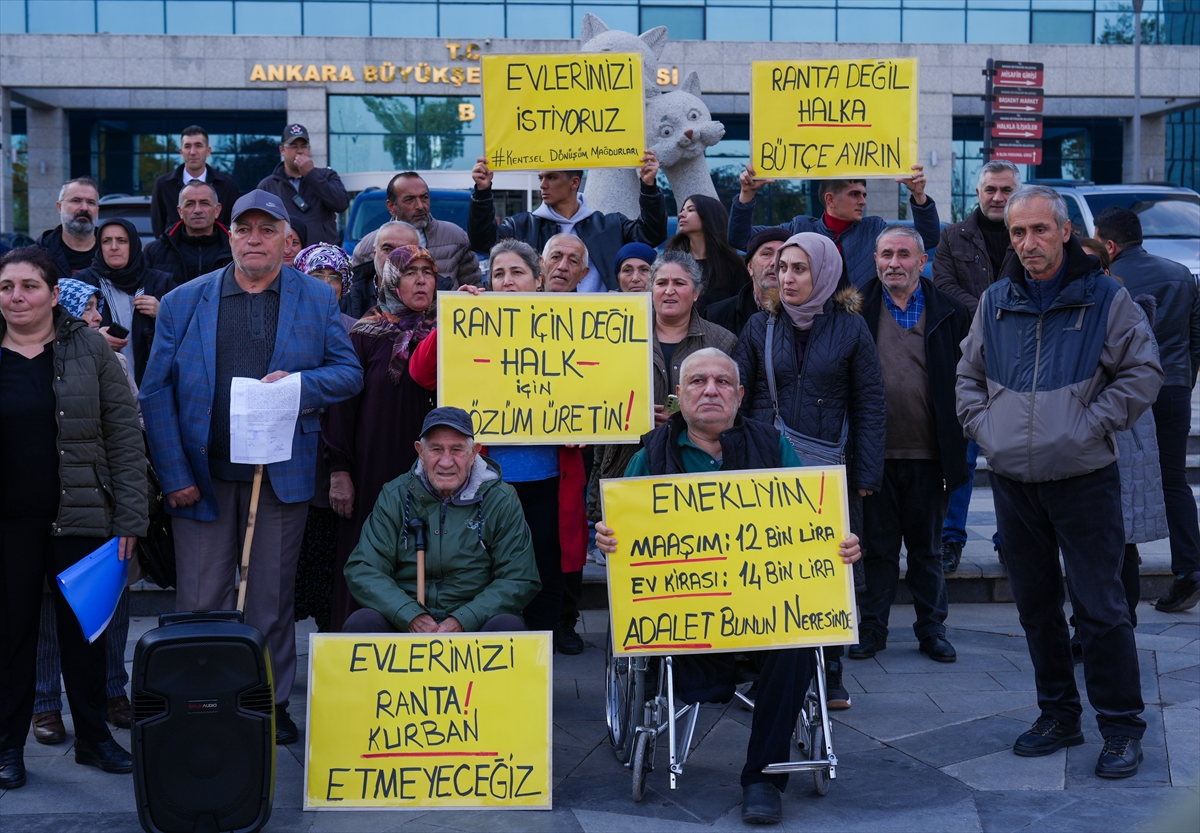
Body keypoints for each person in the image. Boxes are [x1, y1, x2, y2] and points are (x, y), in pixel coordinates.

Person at [594, 348, 862, 825]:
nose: (711, 390)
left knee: (797, 643)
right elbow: (623, 539)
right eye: (698, 382)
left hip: (766, 621)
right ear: (678, 398)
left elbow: (814, 521)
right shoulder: (649, 456)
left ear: (740, 396)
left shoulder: (772, 446)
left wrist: (839, 545)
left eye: (722, 382)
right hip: (684, 626)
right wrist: (611, 539)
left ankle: (762, 779)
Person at [139, 190, 363, 745]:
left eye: (268, 230)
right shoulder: (185, 300)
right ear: (229, 233)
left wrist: (297, 386)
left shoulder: (315, 299)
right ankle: (201, 699)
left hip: (278, 476)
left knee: (270, 598)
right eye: (246, 229)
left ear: (288, 240)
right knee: (200, 596)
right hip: (203, 476)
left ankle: (268, 700)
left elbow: (347, 373)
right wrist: (175, 477)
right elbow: (154, 391)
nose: (256, 239)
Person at [956, 185, 1163, 778]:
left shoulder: (1105, 297)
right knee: (1036, 607)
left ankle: (1122, 727)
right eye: (1018, 233)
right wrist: (987, 428)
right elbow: (967, 377)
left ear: (1065, 231)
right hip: (1015, 482)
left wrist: (1089, 425)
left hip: (1084, 479)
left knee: (1101, 608)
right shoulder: (995, 300)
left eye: (1039, 230)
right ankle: (1059, 715)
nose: (1027, 243)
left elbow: (1143, 372)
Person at [0, 247, 147, 789]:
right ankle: (7, 747)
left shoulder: (88, 347)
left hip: (84, 515)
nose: (17, 296)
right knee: (11, 639)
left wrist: (131, 518)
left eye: (29, 286)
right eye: (7, 286)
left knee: (86, 633)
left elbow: (125, 436)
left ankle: (93, 738)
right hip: (10, 524)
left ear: (54, 294)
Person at [733, 232, 886, 710]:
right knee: (772, 569)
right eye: (782, 269)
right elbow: (738, 390)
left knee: (830, 570)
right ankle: (771, 671)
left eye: (799, 269)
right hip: (768, 469)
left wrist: (865, 475)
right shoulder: (761, 326)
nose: (787, 278)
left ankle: (831, 670)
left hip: (829, 470)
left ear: (823, 272)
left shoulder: (851, 328)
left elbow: (870, 403)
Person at [406, 240, 587, 637]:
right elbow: (421, 372)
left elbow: (595, 384)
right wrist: (452, 321)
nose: (507, 282)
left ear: (538, 281)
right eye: (498, 274)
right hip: (486, 478)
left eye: (517, 273)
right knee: (486, 566)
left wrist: (589, 426)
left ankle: (542, 657)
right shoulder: (473, 324)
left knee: (544, 564)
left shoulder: (568, 322)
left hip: (548, 478)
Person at [29, 278, 141, 744]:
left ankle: (112, 695)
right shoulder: (20, 357)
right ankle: (45, 705)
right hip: (34, 509)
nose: (96, 316)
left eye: (98, 306)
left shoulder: (104, 358)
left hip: (96, 505)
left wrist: (131, 515)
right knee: (45, 616)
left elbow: (127, 434)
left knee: (105, 612)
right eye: (89, 307)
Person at [853, 226, 970, 664]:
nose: (893, 263)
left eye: (904, 254)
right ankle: (872, 629)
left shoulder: (951, 312)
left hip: (931, 456)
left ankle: (932, 630)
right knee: (877, 550)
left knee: (928, 551)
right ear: (876, 259)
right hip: (874, 457)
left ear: (922, 262)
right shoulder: (854, 310)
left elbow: (969, 378)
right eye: (886, 254)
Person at [342, 407, 542, 634]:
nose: (446, 462)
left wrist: (465, 619)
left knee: (508, 626)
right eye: (436, 449)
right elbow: (364, 568)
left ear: (474, 452)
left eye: (457, 450)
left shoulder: (501, 499)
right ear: (421, 452)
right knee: (363, 622)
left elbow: (520, 577)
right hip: (405, 621)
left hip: (474, 623)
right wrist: (408, 613)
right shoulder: (395, 495)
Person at [589, 249, 737, 554]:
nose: (669, 290)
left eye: (680, 283)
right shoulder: (617, 334)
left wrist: (690, 416)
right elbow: (595, 393)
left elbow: (733, 404)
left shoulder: (722, 342)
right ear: (650, 289)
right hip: (627, 464)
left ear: (696, 293)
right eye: (661, 282)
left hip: (697, 473)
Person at [323, 245, 438, 631]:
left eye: (428, 271)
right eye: (410, 272)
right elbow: (341, 407)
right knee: (370, 552)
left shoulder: (446, 331)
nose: (421, 279)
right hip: (375, 467)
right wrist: (340, 471)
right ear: (389, 280)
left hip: (433, 468)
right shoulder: (364, 335)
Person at [1095, 206, 1200, 613]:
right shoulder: (1180, 273)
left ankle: (1129, 563)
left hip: (1131, 392)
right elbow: (1196, 338)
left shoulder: (1112, 282)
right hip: (1174, 386)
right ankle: (1189, 568)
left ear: (1109, 243)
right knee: (1173, 480)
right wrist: (1184, 381)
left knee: (1125, 477)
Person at [933, 159, 1020, 572]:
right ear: (978, 192)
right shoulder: (953, 236)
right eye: (991, 190)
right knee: (961, 459)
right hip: (966, 361)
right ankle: (952, 540)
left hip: (1019, 366)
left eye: (1006, 190)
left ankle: (1012, 540)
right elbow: (944, 286)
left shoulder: (1028, 234)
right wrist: (992, 311)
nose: (998, 197)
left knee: (1013, 458)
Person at [468, 153, 668, 291]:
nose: (543, 185)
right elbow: (483, 241)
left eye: (552, 177)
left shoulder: (611, 226)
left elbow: (652, 234)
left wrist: (649, 186)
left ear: (575, 183)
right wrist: (482, 192)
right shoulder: (522, 226)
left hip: (602, 326)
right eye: (541, 178)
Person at [728, 165, 940, 288]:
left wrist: (918, 195)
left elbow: (926, 240)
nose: (863, 201)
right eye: (854, 194)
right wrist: (747, 194)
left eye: (864, 195)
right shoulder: (799, 228)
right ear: (830, 199)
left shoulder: (874, 229)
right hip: (811, 328)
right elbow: (741, 239)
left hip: (864, 328)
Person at [292, 243, 357, 633]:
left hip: (335, 461)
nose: (328, 285)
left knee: (330, 565)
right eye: (319, 277)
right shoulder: (285, 322)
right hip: (292, 458)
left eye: (336, 277)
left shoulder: (357, 328)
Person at [73, 218, 176, 385]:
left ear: (134, 245)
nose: (114, 247)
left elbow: (188, 330)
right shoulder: (83, 282)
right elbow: (64, 331)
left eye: (122, 241)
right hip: (101, 386)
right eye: (107, 241)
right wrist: (94, 339)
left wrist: (163, 312)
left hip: (153, 385)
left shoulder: (160, 283)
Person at [350, 172, 483, 289]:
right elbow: (356, 297)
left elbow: (474, 291)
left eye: (424, 197)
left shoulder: (455, 237)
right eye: (410, 199)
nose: (420, 206)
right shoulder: (366, 247)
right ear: (391, 206)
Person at [256, 124, 350, 247]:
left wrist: (311, 175)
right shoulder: (268, 185)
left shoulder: (327, 176)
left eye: (304, 146)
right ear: (282, 150)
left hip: (320, 257)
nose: (300, 151)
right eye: (294, 146)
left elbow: (341, 203)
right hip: (285, 256)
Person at [664, 195, 749, 316]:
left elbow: (742, 310)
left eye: (691, 210)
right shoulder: (672, 261)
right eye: (682, 210)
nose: (681, 214)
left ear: (709, 216)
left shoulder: (733, 265)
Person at [149, 125, 240, 238]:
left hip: (217, 253)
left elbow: (233, 224)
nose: (192, 152)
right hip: (174, 253)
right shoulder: (163, 185)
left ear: (208, 151)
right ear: (181, 152)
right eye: (187, 146)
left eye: (198, 145)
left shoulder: (226, 185)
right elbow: (158, 225)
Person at [145, 180, 234, 285]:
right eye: (190, 204)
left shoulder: (236, 248)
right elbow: (143, 292)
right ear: (180, 211)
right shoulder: (155, 252)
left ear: (217, 210)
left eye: (204, 203)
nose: (197, 210)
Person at [705, 228, 791, 337]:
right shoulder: (716, 315)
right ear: (750, 267)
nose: (775, 262)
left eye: (782, 255)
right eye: (766, 254)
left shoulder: (809, 316)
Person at [343, 220, 420, 319]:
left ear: (419, 256)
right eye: (387, 249)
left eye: (404, 251)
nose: (394, 257)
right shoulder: (347, 296)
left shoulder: (439, 294)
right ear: (375, 253)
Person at [36, 177, 100, 277]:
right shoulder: (37, 256)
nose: (84, 208)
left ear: (97, 210)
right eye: (76, 200)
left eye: (91, 202)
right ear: (59, 207)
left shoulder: (114, 252)